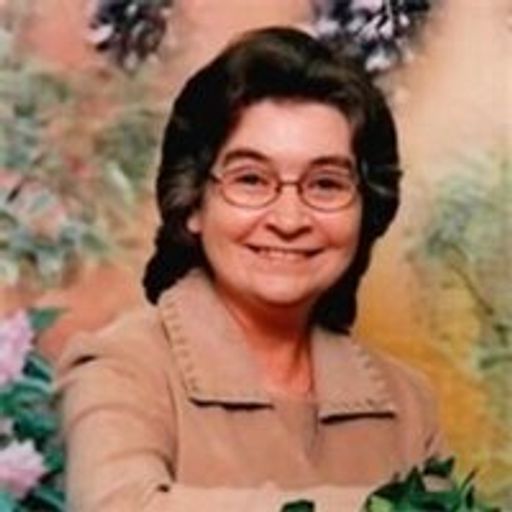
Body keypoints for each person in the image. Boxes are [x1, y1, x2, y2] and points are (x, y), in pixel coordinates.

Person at [58, 26, 446, 511]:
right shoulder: (122, 367)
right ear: (192, 202)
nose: (289, 220)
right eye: (251, 180)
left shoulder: (408, 403)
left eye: (326, 184)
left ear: (366, 210)